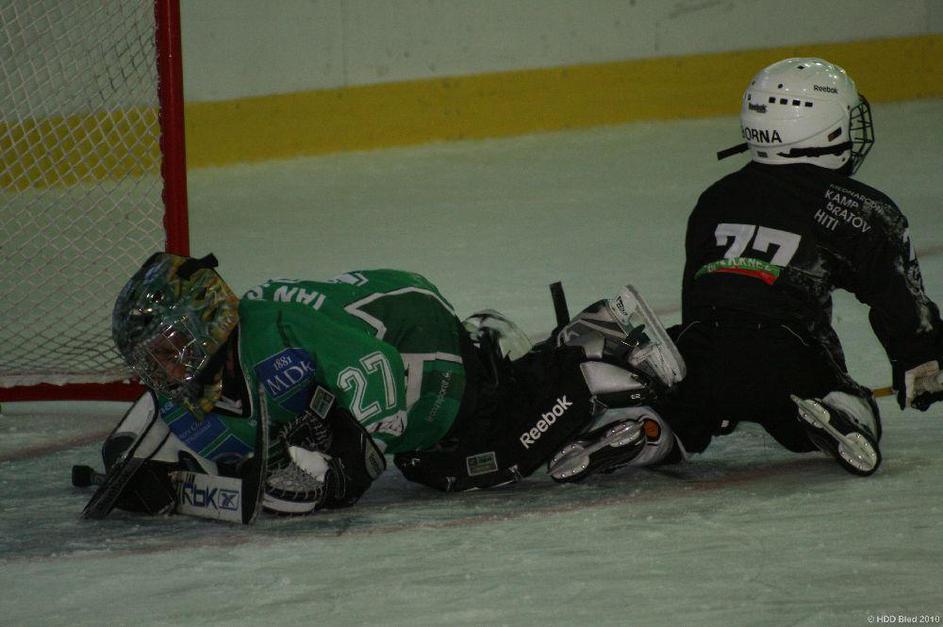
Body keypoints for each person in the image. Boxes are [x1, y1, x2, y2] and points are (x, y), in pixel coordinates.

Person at [88, 254, 685, 520]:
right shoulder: (192, 386)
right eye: (150, 359)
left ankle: (586, 353)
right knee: (433, 469)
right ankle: (555, 369)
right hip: (375, 332)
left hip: (407, 329)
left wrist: (352, 462)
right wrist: (146, 479)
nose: (163, 368)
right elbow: (133, 445)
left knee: (485, 454)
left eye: (169, 345)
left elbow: (374, 366)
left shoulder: (273, 328)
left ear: (206, 317)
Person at [656, 57, 943, 476]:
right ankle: (841, 412)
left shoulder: (715, 198)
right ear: (825, 127)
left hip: (702, 348)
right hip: (787, 354)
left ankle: (654, 431)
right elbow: (901, 304)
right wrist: (922, 360)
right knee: (844, 396)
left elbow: (699, 294)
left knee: (686, 408)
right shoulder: (863, 209)